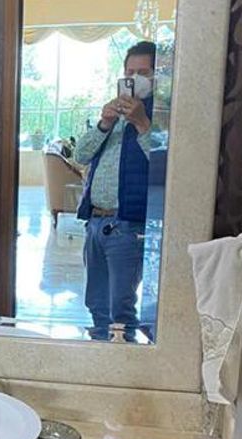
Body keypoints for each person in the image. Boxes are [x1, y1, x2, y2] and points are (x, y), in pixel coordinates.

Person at [74, 41, 156, 341]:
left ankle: (125, 359)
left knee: (121, 306)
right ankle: (101, 353)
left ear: (157, 77)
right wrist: (104, 123)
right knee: (96, 302)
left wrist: (143, 122)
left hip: (128, 226)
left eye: (143, 73)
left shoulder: (163, 116)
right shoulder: (114, 117)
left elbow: (167, 166)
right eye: (129, 72)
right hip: (96, 221)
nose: (134, 78)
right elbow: (80, 155)